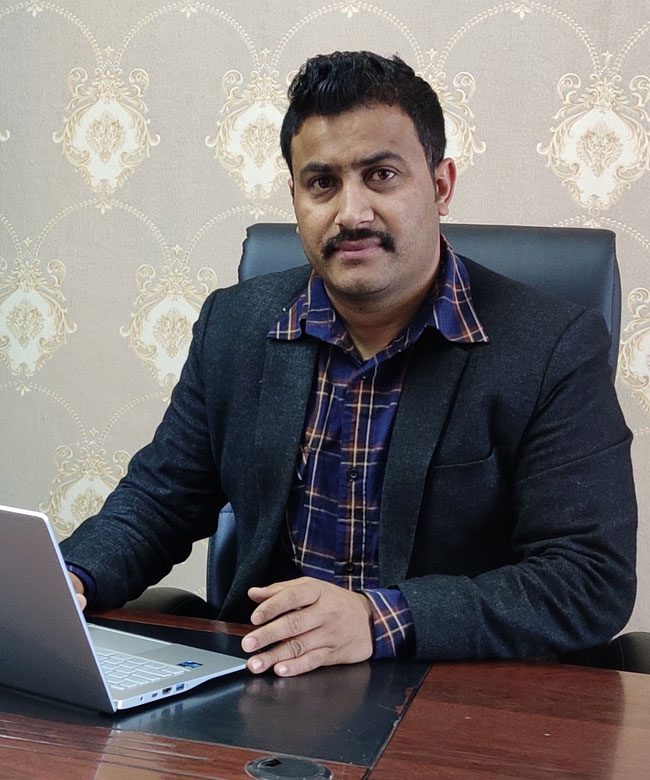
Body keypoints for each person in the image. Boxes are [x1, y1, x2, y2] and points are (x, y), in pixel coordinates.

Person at [61, 50, 637, 678]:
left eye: (382, 175)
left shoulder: (552, 347)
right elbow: (160, 499)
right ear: (295, 197)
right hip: (262, 677)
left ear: (441, 185)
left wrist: (377, 618)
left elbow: (588, 579)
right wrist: (72, 576)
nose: (352, 213)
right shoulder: (235, 325)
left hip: (455, 689)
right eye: (322, 183)